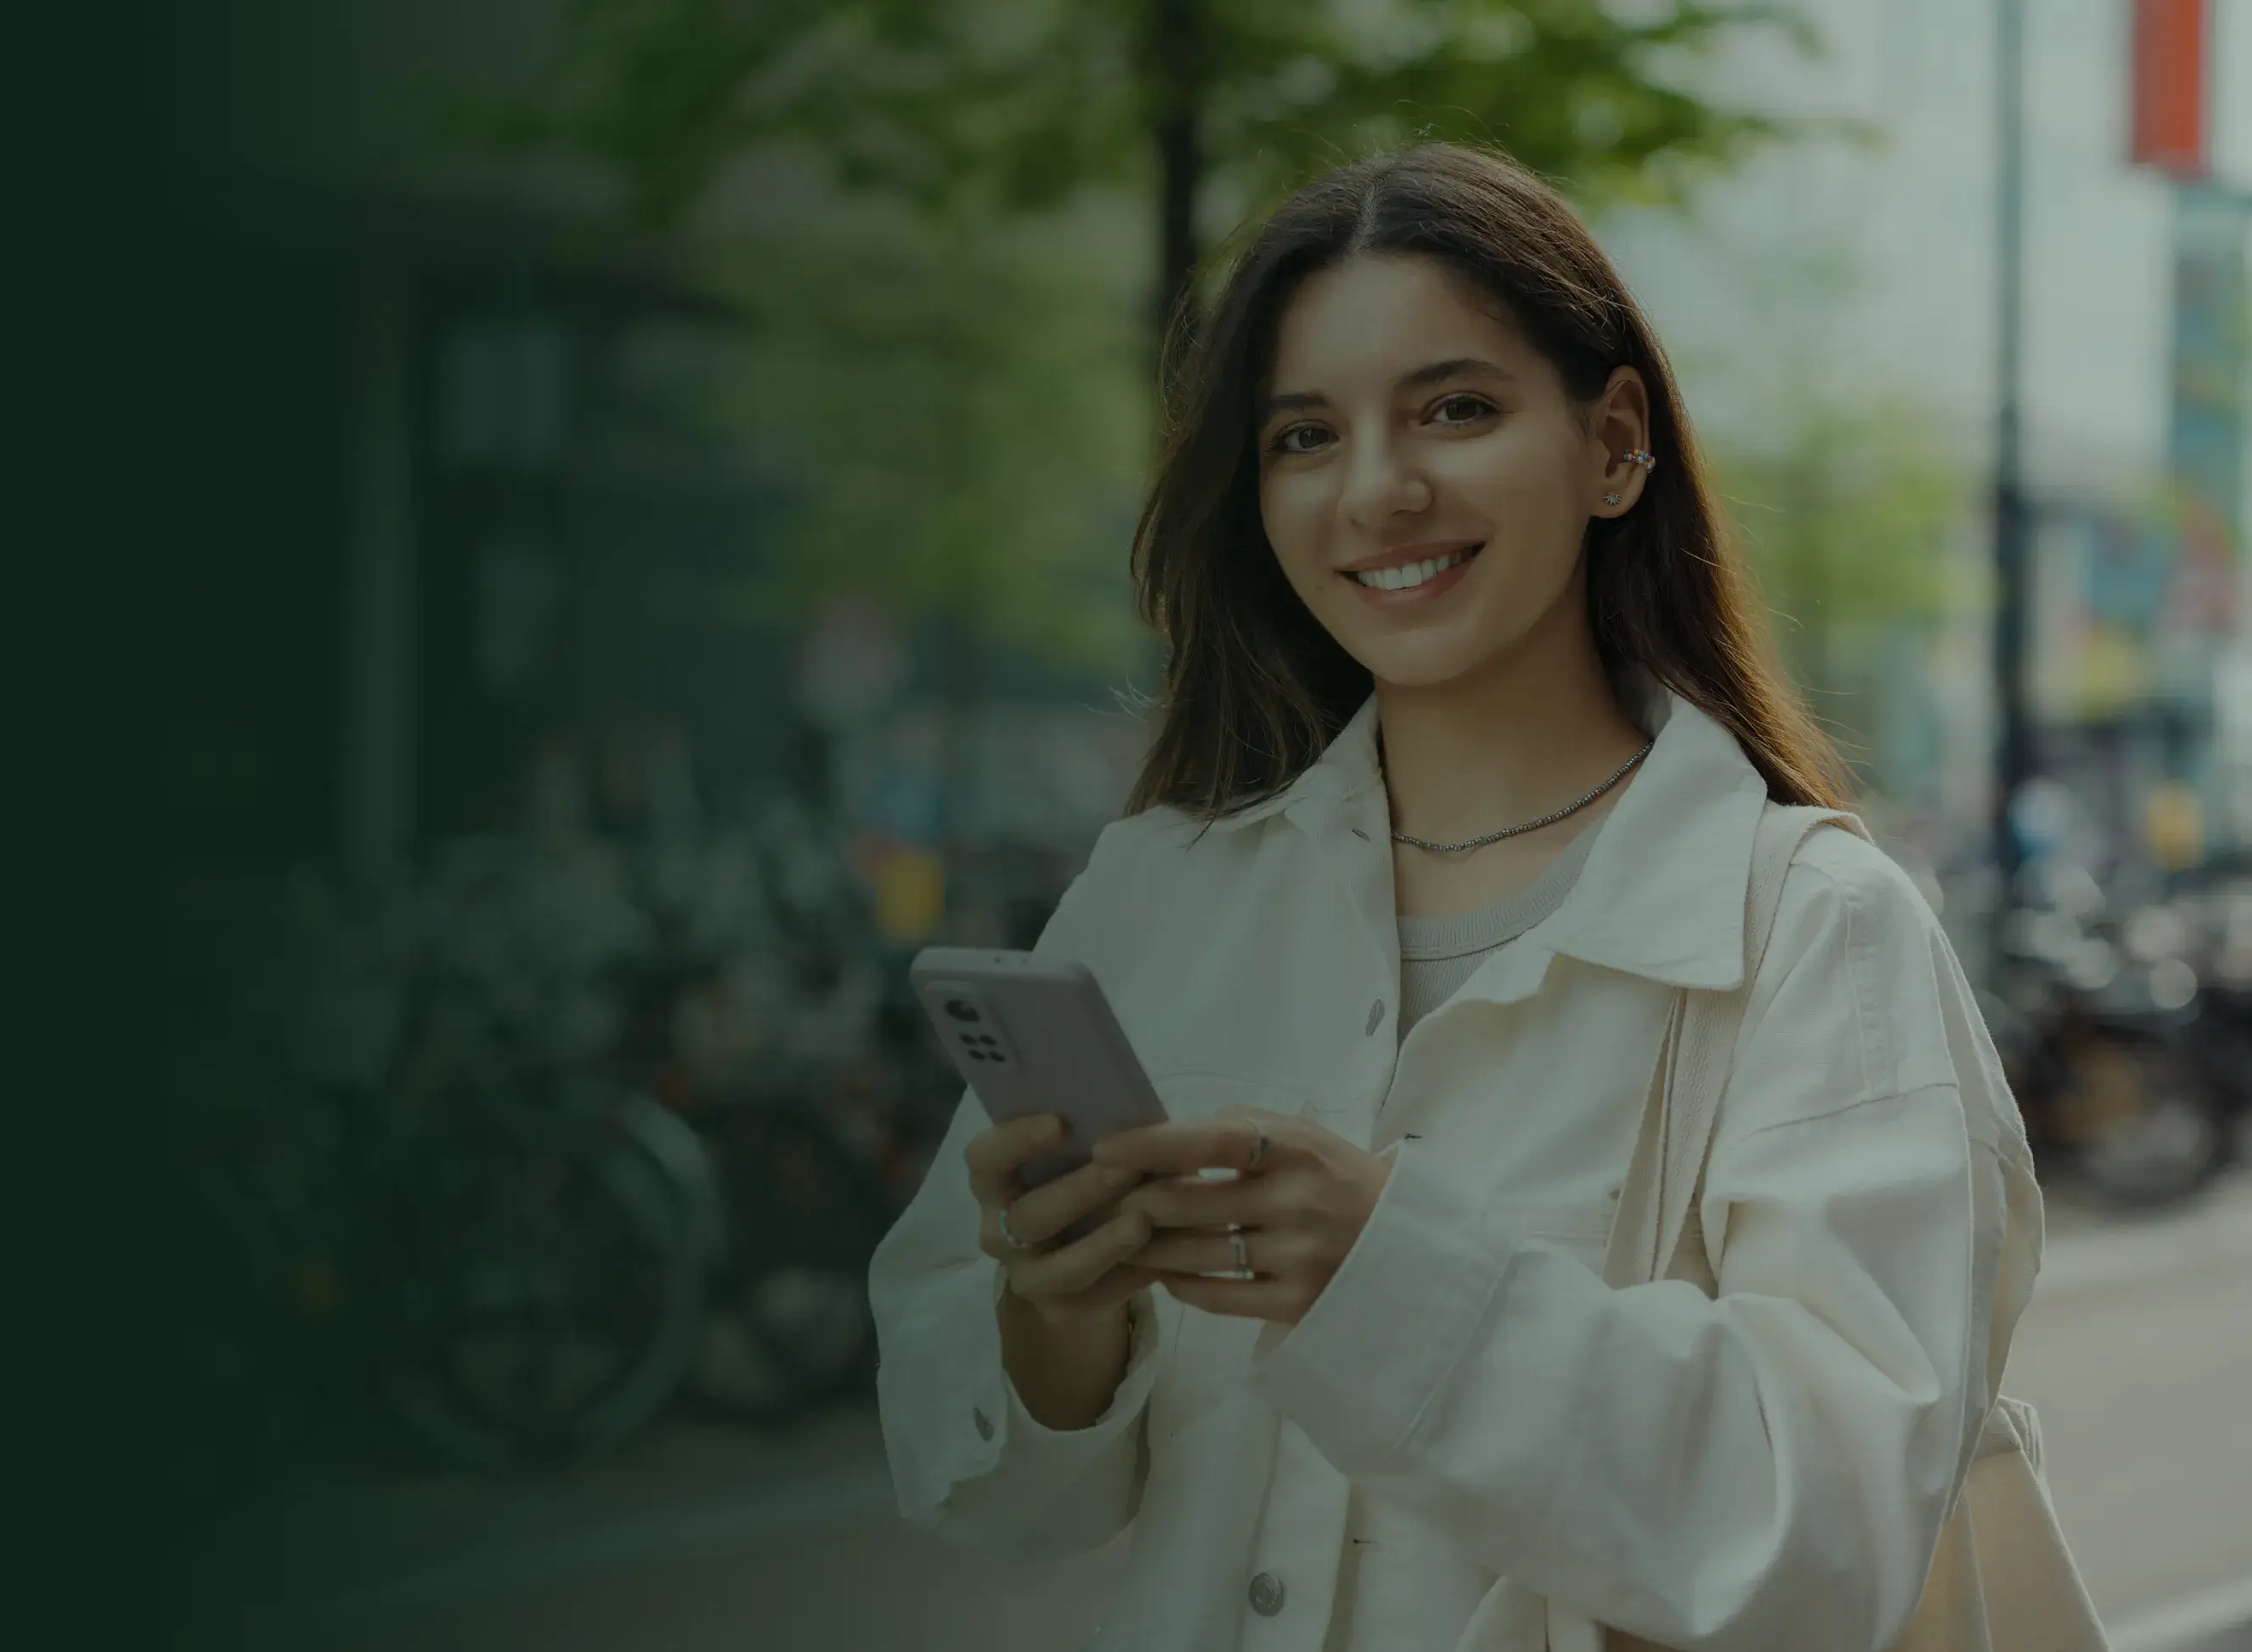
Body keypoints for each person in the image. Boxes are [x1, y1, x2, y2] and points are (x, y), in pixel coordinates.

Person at [868, 145, 2044, 1652]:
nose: (1377, 490)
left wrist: (1395, 1280)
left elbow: (1831, 1539)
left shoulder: (1817, 928)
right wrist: (1056, 1310)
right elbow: (987, 1493)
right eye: (1306, 436)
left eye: (1455, 409)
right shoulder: (1161, 894)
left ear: (1615, 442)